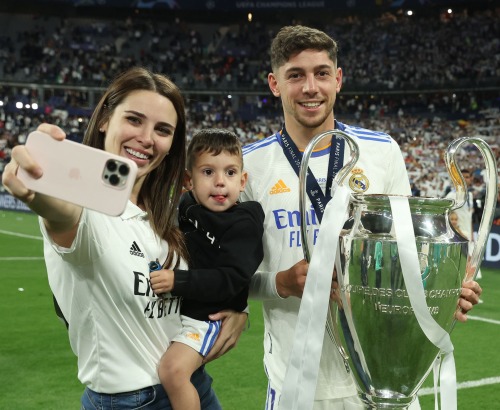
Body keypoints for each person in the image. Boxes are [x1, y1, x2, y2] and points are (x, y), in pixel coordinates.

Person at [240, 25, 483, 409]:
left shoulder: (381, 151)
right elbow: (235, 281)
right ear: (274, 84)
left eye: (321, 73)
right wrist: (283, 282)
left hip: (386, 373)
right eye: (295, 76)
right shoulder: (248, 166)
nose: (310, 87)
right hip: (299, 385)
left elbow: (411, 253)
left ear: (338, 79)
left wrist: (443, 291)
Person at [2, 67, 246, 410]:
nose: (147, 138)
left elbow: (215, 275)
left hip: (194, 387)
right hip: (131, 402)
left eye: (163, 130)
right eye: (134, 120)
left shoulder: (169, 216)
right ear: (104, 119)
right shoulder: (83, 211)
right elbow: (62, 214)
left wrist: (238, 308)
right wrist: (37, 189)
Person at [149, 128, 265, 410]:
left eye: (230, 172)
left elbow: (231, 279)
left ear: (243, 180)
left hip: (208, 317)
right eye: (208, 172)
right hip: (180, 313)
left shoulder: (243, 225)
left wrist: (178, 281)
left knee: (173, 372)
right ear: (189, 180)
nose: (220, 183)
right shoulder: (188, 206)